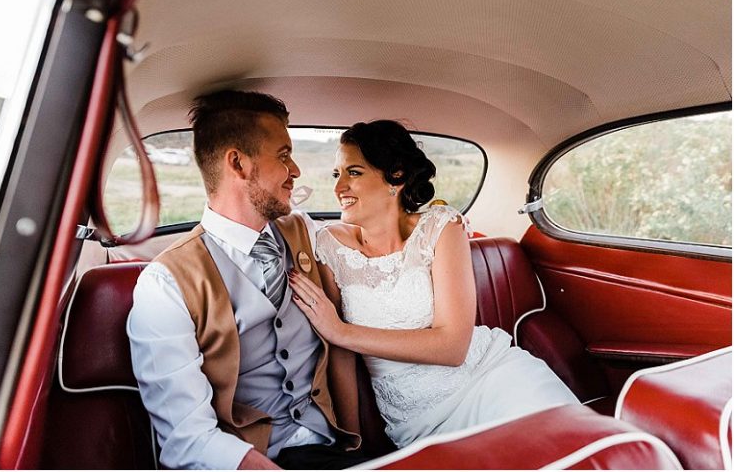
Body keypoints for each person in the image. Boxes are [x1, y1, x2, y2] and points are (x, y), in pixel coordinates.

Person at [288, 120, 580, 448]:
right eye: (336, 175)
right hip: (418, 418)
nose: (339, 187)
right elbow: (341, 354)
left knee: (571, 450)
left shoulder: (442, 228)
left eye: (353, 172)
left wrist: (341, 331)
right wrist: (352, 443)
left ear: (395, 177)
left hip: (494, 379)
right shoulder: (329, 246)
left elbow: (453, 348)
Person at [127, 90, 364, 469]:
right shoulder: (165, 285)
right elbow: (187, 439)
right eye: (283, 155)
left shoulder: (303, 232)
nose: (296, 170)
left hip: (333, 448)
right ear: (237, 163)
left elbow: (375, 250)